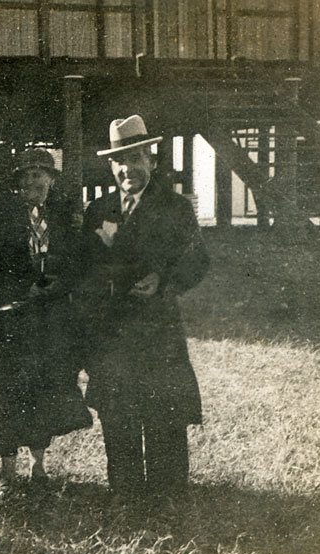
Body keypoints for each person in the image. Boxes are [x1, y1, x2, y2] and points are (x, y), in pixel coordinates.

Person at [78, 114, 209, 501]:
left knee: (163, 412)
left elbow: (198, 261)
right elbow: (84, 266)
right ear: (111, 166)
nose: (128, 169)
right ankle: (125, 492)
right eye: (120, 161)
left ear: (151, 160)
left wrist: (163, 280)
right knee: (117, 414)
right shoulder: (98, 210)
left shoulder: (175, 208)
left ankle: (168, 495)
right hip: (112, 333)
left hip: (157, 332)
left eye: (135, 159)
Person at [0, 148, 92, 485]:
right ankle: (7, 472)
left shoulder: (63, 217)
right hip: (11, 318)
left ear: (51, 179)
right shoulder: (1, 215)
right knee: (8, 393)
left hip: (51, 319)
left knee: (44, 391)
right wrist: (24, 288)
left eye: (39, 175)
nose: (32, 181)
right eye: (25, 176)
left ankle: (38, 466)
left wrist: (55, 287)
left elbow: (76, 262)